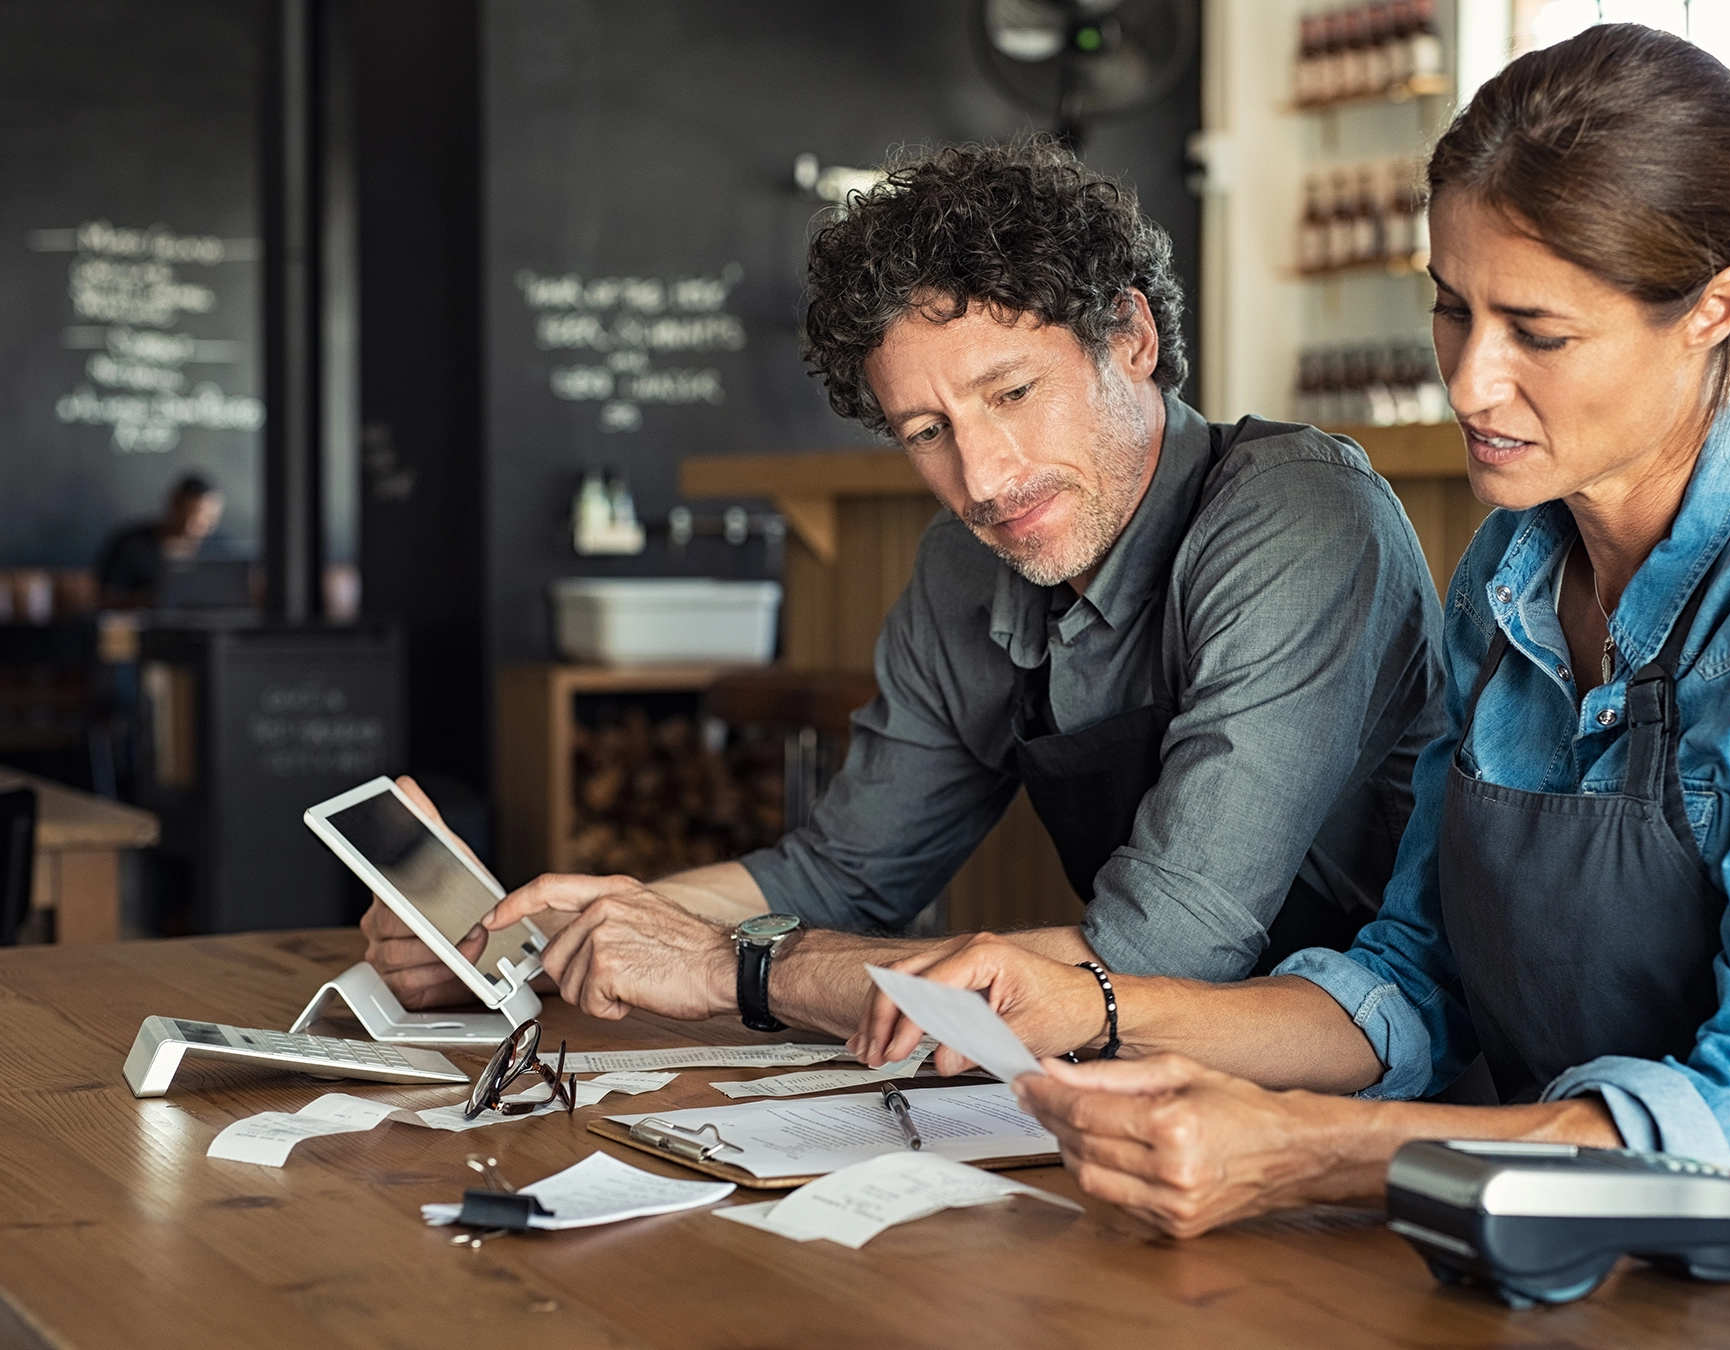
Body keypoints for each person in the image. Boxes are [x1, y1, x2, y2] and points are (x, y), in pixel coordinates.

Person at [852, 27, 1730, 1301]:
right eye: (1451, 307)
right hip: (1540, 1261)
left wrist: (1314, 1154)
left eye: (1536, 331)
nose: (1466, 378)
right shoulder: (1507, 577)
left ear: (1712, 311)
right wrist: (1088, 1003)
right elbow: (1414, 983)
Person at [364, 140, 1446, 1036]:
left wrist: (734, 970)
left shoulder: (1296, 518)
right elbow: (843, 872)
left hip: (1380, 1087)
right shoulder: (963, 562)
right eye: (926, 432)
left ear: (1130, 338)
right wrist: (542, 930)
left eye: (1012, 392)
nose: (981, 480)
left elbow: (1161, 952)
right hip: (1147, 1091)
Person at [96, 473, 226, 608]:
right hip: (144, 624)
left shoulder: (222, 549)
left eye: (210, 518)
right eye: (194, 516)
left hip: (208, 627)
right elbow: (105, 599)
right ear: (174, 504)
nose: (202, 524)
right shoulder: (130, 544)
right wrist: (156, 598)